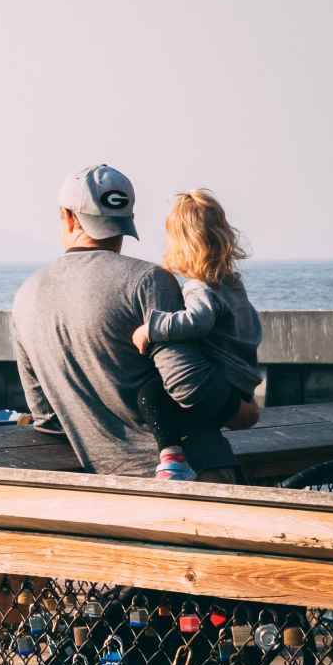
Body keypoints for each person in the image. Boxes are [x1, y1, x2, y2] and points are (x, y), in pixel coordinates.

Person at [11, 165, 259, 481]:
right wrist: (243, 412)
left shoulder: (26, 295)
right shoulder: (148, 280)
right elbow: (187, 385)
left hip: (107, 484)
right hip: (194, 475)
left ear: (68, 216)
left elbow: (47, 417)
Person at [129, 190, 263, 479]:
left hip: (222, 384)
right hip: (241, 383)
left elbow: (197, 321)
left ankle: (173, 458)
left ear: (181, 245)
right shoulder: (233, 284)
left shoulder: (199, 287)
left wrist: (152, 328)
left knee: (150, 395)